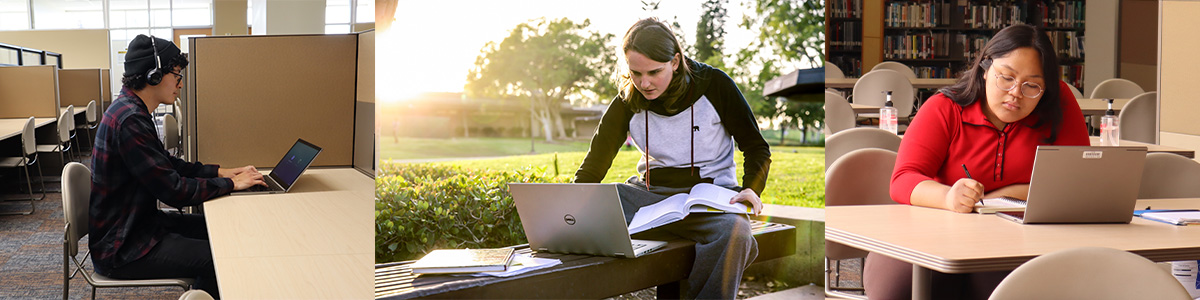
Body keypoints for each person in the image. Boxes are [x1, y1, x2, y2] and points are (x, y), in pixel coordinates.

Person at [866, 24, 1091, 299]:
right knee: (899, 290)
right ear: (985, 68)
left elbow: (1077, 182)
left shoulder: (1059, 104)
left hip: (1019, 238)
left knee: (1021, 288)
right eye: (1006, 77)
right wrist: (949, 197)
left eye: (1032, 85)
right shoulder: (945, 108)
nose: (1016, 93)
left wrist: (1000, 198)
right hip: (935, 230)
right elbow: (903, 179)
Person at [573, 18, 771, 299]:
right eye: (635, 73)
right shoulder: (628, 99)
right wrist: (573, 200)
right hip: (650, 196)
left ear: (675, 61)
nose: (644, 83)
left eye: (654, 72)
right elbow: (596, 160)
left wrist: (751, 186)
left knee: (735, 233)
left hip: (709, 198)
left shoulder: (715, 85)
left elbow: (756, 147)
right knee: (597, 208)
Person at [89, 35, 267, 299]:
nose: (180, 84)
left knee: (217, 232)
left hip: (138, 226)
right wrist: (232, 184)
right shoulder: (130, 121)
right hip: (123, 246)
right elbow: (173, 191)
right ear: (153, 76)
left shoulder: (132, 110)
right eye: (176, 75)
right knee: (221, 256)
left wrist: (222, 172)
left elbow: (167, 165)